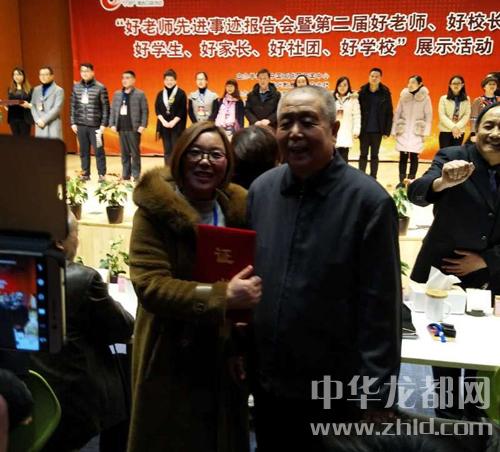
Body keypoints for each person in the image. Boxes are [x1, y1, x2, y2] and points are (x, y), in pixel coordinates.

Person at [248, 86, 402, 451]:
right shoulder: (262, 191)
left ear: (333, 130)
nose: (295, 133)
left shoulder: (368, 201)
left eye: (307, 122)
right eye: (286, 123)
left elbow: (381, 309)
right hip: (269, 383)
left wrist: (377, 395)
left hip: (333, 391)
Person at [128, 121, 262, 452]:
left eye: (215, 155)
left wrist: (242, 346)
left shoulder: (236, 210)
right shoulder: (154, 212)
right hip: (169, 352)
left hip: (221, 352)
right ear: (180, 157)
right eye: (196, 153)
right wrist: (221, 296)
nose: (205, 162)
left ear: (227, 163)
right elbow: (151, 286)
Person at [408, 102, 500, 419]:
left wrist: (486, 260)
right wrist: (443, 183)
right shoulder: (453, 157)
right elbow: (417, 192)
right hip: (443, 275)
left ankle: (475, 414)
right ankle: (448, 415)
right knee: (443, 346)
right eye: (489, 125)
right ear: (476, 130)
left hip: (489, 277)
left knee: (482, 350)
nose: (495, 133)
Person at [30, 211, 134, 451]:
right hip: (77, 402)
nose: (77, 240)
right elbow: (123, 326)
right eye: (76, 234)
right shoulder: (83, 279)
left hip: (33, 392)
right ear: (60, 241)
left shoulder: (16, 270)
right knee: (122, 372)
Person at [70, 63, 110, 182]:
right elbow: (73, 106)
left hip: (96, 126)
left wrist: (103, 124)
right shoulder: (76, 87)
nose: (85, 73)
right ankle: (85, 173)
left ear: (93, 72)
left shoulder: (100, 87)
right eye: (82, 71)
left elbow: (106, 107)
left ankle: (101, 174)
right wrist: (73, 122)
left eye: (87, 71)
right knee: (83, 151)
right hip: (81, 125)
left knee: (99, 151)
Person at [391, 75, 433, 186]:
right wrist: (394, 130)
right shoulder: (404, 96)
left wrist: (425, 133)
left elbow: (428, 115)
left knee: (414, 157)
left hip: (417, 132)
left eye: (413, 82)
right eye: (409, 82)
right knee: (403, 157)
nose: (410, 85)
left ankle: (411, 182)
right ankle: (401, 182)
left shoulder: (425, 98)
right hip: (403, 130)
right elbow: (397, 113)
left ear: (420, 84)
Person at [109, 70, 149, 182]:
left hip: (134, 128)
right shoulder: (117, 94)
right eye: (123, 78)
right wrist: (112, 123)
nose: (124, 80)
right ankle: (126, 174)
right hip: (121, 127)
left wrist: (143, 125)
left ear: (133, 80)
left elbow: (145, 111)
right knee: (124, 153)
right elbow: (112, 110)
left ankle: (136, 175)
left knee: (135, 153)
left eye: (127, 78)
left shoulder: (140, 94)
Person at [358, 68, 393, 179]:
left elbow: (389, 113)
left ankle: (373, 177)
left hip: (377, 131)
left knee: (374, 155)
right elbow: (356, 112)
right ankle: (361, 177)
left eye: (376, 76)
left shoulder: (385, 93)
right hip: (364, 130)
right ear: (369, 77)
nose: (374, 78)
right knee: (363, 155)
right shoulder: (362, 92)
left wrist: (387, 131)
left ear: (380, 78)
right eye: (372, 76)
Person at [155, 68, 187, 164]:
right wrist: (163, 122)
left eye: (171, 80)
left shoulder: (181, 93)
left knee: (176, 150)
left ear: (175, 81)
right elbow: (157, 109)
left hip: (177, 127)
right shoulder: (160, 94)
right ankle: (167, 170)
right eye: (167, 80)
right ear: (164, 81)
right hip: (164, 126)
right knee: (167, 150)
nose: (169, 82)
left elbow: (182, 110)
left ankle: (177, 170)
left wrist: (173, 122)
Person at [24, 66, 64, 139]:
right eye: (41, 74)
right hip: (39, 125)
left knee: (54, 145)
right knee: (41, 146)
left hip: (52, 125)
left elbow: (57, 108)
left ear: (52, 76)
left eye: (46, 74)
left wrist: (43, 120)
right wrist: (37, 120)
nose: (43, 77)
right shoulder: (36, 90)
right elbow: (33, 106)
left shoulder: (58, 90)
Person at [438, 75, 471, 149]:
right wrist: (453, 127)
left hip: (459, 131)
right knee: (444, 153)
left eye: (458, 83)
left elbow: (466, 115)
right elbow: (442, 115)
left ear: (462, 85)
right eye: (454, 83)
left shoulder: (467, 99)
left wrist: (457, 127)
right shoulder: (443, 99)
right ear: (450, 85)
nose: (456, 85)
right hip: (445, 130)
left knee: (455, 154)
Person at [334, 76, 361, 163]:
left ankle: (344, 171)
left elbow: (357, 115)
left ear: (348, 86)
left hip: (347, 131)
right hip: (335, 132)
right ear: (337, 86)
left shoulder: (353, 99)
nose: (342, 87)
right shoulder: (332, 99)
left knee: (344, 156)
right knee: (334, 157)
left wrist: (356, 130)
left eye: (345, 85)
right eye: (340, 85)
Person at [5, 67, 32, 137]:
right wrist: (4, 104)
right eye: (14, 74)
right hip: (13, 119)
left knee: (25, 141)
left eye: (18, 74)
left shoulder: (29, 90)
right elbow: (10, 106)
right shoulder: (10, 90)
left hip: (25, 119)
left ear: (23, 76)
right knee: (16, 141)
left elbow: (32, 105)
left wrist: (28, 105)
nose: (16, 76)